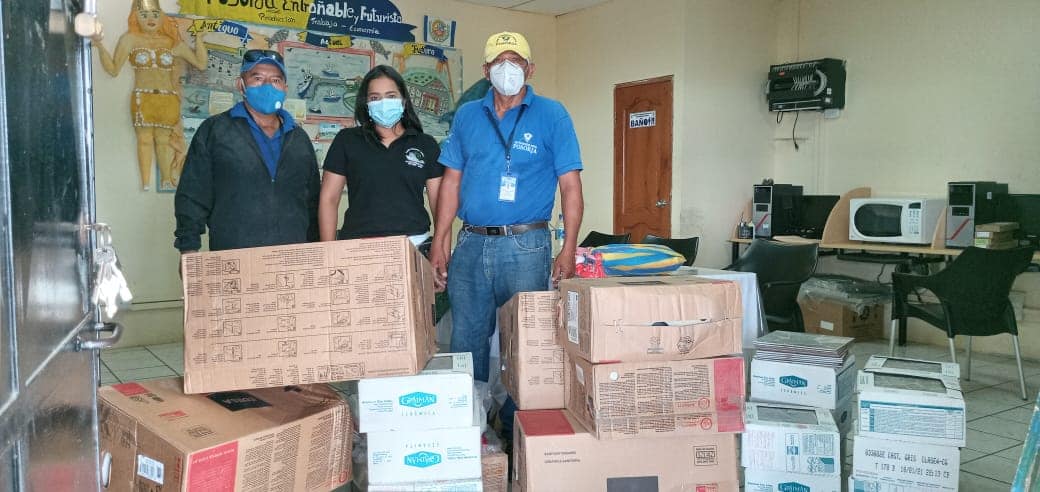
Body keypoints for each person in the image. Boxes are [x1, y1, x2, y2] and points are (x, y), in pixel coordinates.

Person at [430, 31, 584, 407]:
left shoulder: (552, 114)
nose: (507, 69)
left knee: (526, 339)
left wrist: (568, 249)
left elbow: (570, 186)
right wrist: (440, 240)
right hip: (471, 242)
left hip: (526, 245)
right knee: (466, 338)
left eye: (515, 61)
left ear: (530, 69)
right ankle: (473, 421)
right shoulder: (468, 115)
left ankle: (519, 424)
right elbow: (451, 182)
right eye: (499, 62)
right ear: (486, 71)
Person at [174, 49, 319, 254]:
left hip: (292, 258)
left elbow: (313, 202)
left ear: (285, 88)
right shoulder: (215, 131)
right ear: (240, 84)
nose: (267, 86)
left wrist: (317, 250)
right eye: (257, 78)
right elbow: (192, 194)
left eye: (275, 80)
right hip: (234, 257)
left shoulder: (299, 138)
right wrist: (188, 249)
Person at [319, 65, 443, 253]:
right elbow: (329, 199)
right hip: (358, 248)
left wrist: (441, 249)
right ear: (366, 104)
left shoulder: (425, 144)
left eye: (391, 96)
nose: (383, 103)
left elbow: (439, 205)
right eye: (375, 98)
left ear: (404, 101)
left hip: (414, 246)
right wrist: (327, 253)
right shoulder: (347, 140)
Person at [92, 0, 208, 191]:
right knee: (144, 140)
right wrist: (99, 45)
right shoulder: (130, 39)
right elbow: (113, 69)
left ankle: (166, 179)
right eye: (144, 15)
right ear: (135, 17)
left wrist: (200, 39)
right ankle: (145, 183)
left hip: (168, 99)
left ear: (161, 16)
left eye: (155, 14)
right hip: (143, 98)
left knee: (163, 141)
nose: (150, 19)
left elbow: (200, 64)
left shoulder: (171, 41)